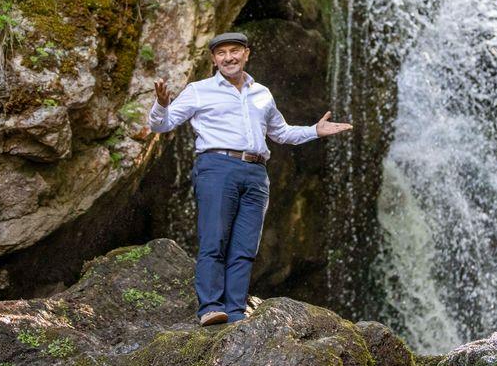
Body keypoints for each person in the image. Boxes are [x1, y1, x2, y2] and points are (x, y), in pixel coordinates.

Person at [148, 32, 352, 326]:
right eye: (221, 53)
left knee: (245, 247)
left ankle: (234, 311)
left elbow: (281, 133)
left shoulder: (262, 93)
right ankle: (210, 307)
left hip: (257, 172)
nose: (228, 57)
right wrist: (161, 104)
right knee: (214, 239)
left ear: (246, 54)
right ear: (213, 59)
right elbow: (162, 125)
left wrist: (314, 131)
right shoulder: (199, 90)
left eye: (234, 51)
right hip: (217, 166)